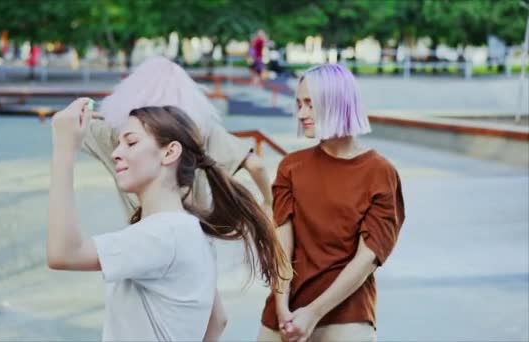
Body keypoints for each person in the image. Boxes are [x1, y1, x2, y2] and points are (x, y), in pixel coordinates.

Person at [48, 101, 291, 341]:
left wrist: (64, 150)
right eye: (119, 143)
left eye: (131, 142)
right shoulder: (187, 229)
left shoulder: (162, 233)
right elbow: (217, 320)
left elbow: (64, 253)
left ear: (170, 152)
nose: (116, 153)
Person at [81, 56, 275, 340]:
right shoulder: (196, 130)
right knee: (213, 318)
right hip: (189, 240)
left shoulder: (120, 134)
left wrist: (92, 108)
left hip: (142, 239)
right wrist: (269, 204)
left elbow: (73, 124)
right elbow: (256, 165)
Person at [258, 63, 405, 342]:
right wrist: (281, 307)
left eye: (310, 105)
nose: (301, 114)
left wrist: (313, 313)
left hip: (347, 312)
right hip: (285, 311)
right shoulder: (291, 167)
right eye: (299, 104)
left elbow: (366, 260)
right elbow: (282, 248)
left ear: (336, 103)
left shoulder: (380, 173)